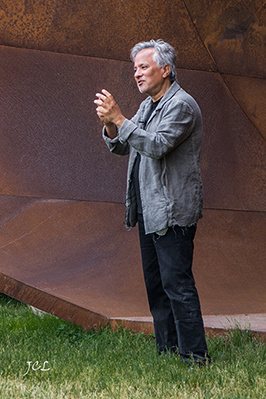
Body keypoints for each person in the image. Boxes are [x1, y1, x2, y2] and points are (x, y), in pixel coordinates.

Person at [94, 39, 210, 364]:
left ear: (166, 69)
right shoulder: (149, 105)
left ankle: (195, 356)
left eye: (144, 67)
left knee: (177, 284)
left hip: (173, 210)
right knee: (156, 286)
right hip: (150, 209)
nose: (137, 74)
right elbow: (125, 146)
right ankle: (168, 350)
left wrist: (120, 118)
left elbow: (157, 145)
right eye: (135, 68)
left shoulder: (181, 105)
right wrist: (110, 122)